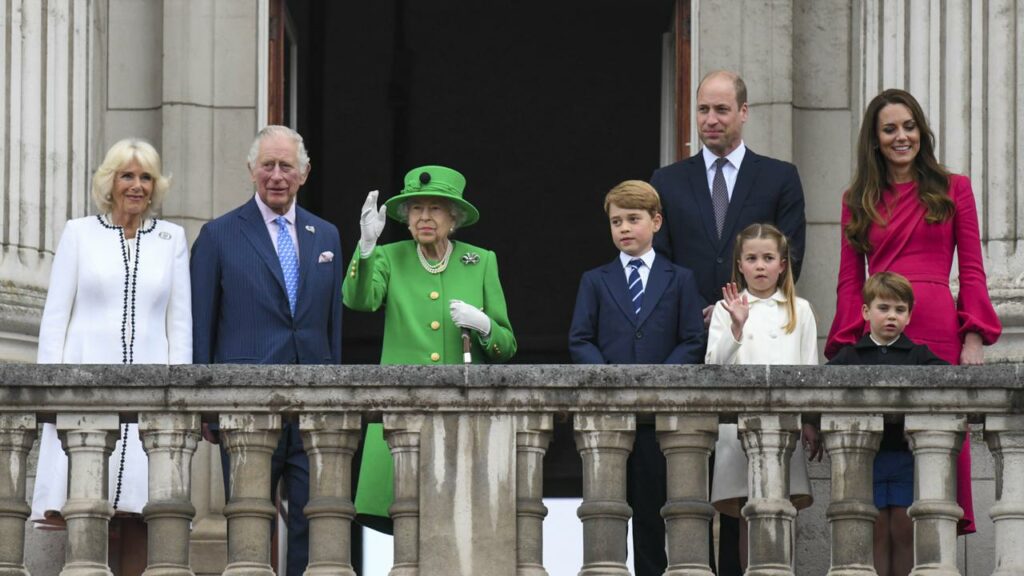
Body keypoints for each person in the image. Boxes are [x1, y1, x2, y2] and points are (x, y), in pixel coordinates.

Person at [650, 69, 807, 576]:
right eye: (702, 110)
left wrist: (743, 306)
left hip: (758, 343)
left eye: (721, 110)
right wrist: (707, 311)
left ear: (743, 112)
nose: (710, 119)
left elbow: (792, 255)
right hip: (687, 342)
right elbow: (664, 259)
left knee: (750, 477)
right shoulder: (668, 181)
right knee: (684, 476)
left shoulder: (779, 176)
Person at [825, 88, 1002, 534]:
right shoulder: (856, 198)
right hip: (879, 332)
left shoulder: (954, 187)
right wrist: (847, 345)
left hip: (938, 327)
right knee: (884, 457)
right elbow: (850, 280)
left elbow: (973, 268)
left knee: (938, 448)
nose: (901, 137)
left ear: (921, 130)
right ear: (875, 138)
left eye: (909, 126)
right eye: (890, 129)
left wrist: (974, 335)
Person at [190, 125, 343, 576]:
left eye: (286, 166)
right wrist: (206, 405)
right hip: (245, 404)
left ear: (305, 173)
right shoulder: (217, 235)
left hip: (314, 405)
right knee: (249, 521)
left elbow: (332, 325)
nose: (276, 176)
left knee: (315, 520)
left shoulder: (326, 235)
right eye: (268, 166)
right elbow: (202, 325)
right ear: (252, 169)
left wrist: (333, 398)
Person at [34, 138, 191, 575]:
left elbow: (179, 328)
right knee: (82, 511)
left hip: (149, 399)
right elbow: (54, 321)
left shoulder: (171, 239)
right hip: (83, 394)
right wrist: (49, 396)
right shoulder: (78, 233)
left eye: (145, 177)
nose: (136, 186)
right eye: (127, 175)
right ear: (110, 181)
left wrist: (180, 401)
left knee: (143, 512)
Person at [343, 165, 516, 527]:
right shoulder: (389, 256)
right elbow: (359, 301)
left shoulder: (480, 261)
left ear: (453, 217)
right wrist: (367, 246)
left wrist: (484, 325)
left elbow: (507, 346)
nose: (424, 217)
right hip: (403, 412)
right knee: (406, 521)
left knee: (463, 524)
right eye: (416, 209)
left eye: (435, 208)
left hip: (462, 414)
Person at [568, 180, 704, 575]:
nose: (624, 228)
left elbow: (693, 340)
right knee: (605, 510)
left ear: (656, 221)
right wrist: (610, 380)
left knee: (653, 510)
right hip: (609, 416)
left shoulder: (680, 279)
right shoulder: (595, 280)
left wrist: (659, 379)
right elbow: (580, 339)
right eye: (616, 221)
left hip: (659, 418)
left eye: (633, 219)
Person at [706, 223, 820, 573]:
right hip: (738, 427)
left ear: (782, 264)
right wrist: (736, 328)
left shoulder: (800, 309)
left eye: (768, 258)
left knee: (783, 509)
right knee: (746, 512)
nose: (760, 266)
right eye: (751, 258)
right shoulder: (725, 309)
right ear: (739, 264)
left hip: (788, 426)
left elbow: (810, 370)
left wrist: (811, 422)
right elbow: (713, 367)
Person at [828, 271, 947, 576]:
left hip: (905, 458)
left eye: (900, 309)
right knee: (875, 529)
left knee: (904, 529)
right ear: (866, 311)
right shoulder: (850, 356)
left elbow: (949, 383)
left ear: (909, 316)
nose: (891, 316)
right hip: (866, 460)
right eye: (883, 308)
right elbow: (819, 390)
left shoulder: (919, 355)